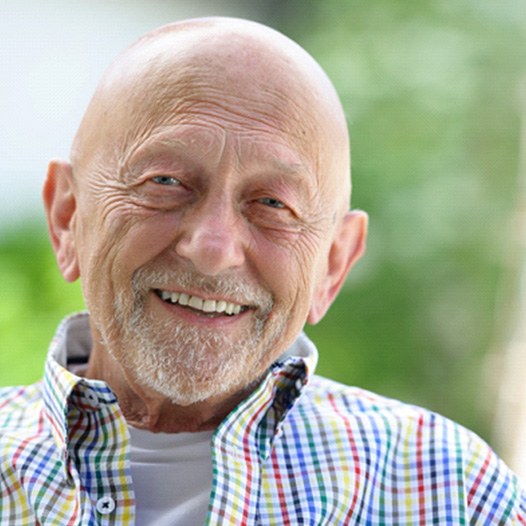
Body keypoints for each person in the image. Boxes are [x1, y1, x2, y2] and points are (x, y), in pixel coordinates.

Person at [0, 16, 524, 526]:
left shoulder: (450, 494)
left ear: (333, 264)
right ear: (68, 217)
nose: (213, 249)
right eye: (165, 181)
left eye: (273, 203)